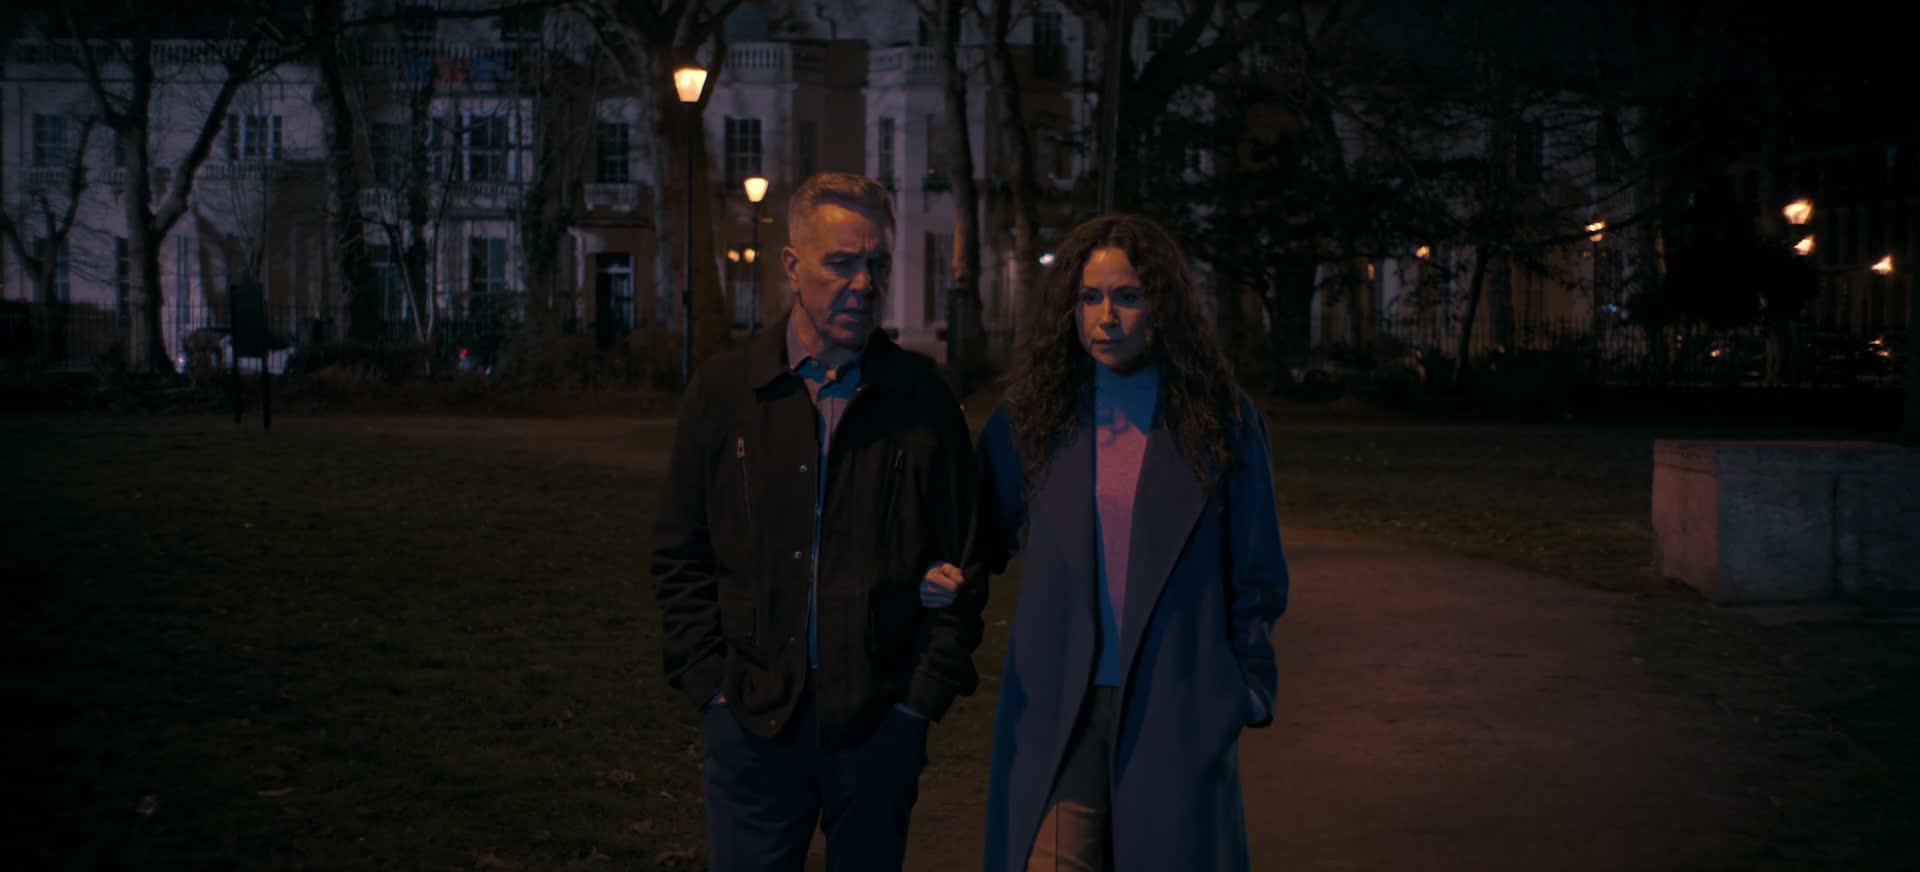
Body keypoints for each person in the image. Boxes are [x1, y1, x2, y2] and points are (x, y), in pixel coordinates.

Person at [649, 171, 986, 872]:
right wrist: (711, 686)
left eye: (877, 264)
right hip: (751, 723)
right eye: (841, 263)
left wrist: (919, 702)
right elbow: (682, 550)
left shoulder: (922, 401)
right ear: (793, 266)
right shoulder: (725, 393)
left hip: (877, 724)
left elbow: (967, 556)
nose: (864, 284)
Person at [963, 213, 1291, 871]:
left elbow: (1256, 571)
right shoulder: (1034, 416)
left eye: (1127, 296)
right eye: (1090, 297)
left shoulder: (1220, 420)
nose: (1106, 317)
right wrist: (946, 574)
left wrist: (1243, 690)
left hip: (1177, 704)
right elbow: (976, 534)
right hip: (1060, 704)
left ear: (1161, 306)